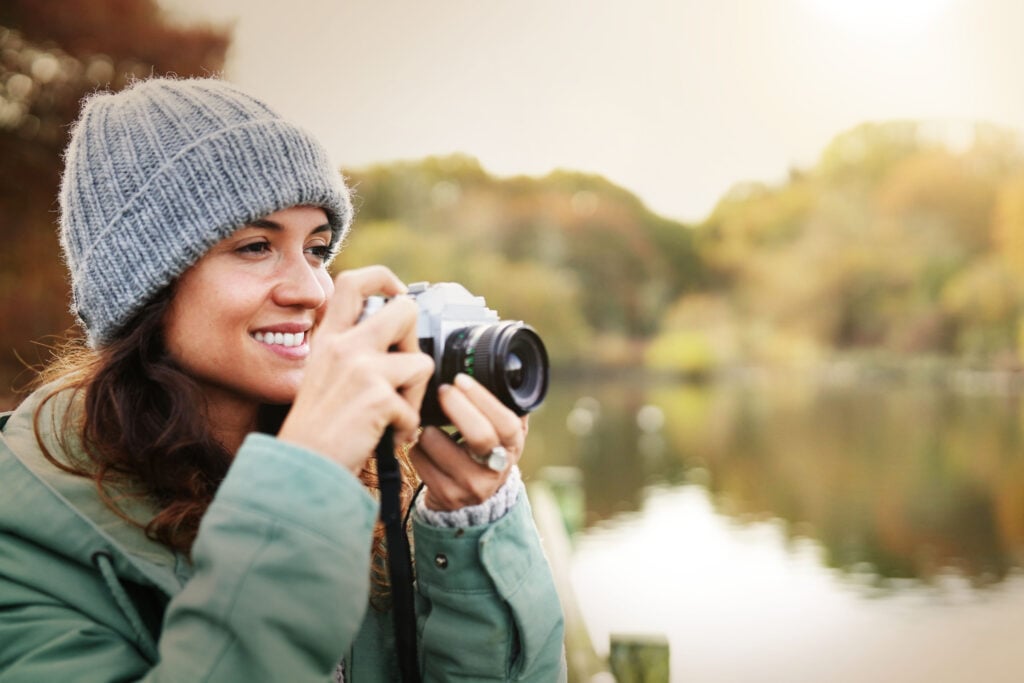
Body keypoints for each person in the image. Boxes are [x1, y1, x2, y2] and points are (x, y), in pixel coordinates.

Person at [0, 77, 566, 682]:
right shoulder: (25, 533)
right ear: (145, 288)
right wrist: (305, 483)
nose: (311, 290)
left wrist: (470, 527)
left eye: (318, 249)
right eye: (254, 246)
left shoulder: (377, 479)